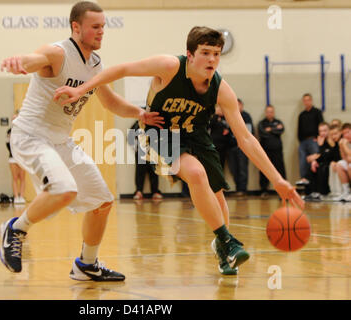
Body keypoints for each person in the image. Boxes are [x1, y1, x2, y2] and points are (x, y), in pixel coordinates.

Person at [54, 26, 304, 275]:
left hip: (196, 137)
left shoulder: (221, 89)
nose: (212, 59)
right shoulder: (169, 67)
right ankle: (227, 241)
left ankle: (223, 249)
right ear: (190, 54)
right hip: (158, 133)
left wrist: (278, 179)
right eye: (205, 53)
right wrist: (80, 89)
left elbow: (246, 139)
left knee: (218, 197)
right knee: (196, 174)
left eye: (216, 54)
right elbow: (122, 69)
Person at [0, 1, 163, 280]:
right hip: (31, 136)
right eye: (95, 27)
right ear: (76, 27)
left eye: (103, 27)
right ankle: (16, 228)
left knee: (102, 201)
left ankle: (87, 265)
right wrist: (20, 62)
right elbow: (33, 59)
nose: (101, 32)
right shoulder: (58, 52)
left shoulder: (95, 64)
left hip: (61, 141)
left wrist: (139, 113)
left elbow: (110, 102)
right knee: (64, 189)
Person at [304, 123, 341, 200]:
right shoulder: (323, 141)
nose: (322, 133)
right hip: (327, 162)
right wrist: (315, 160)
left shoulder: (333, 140)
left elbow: (331, 155)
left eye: (324, 130)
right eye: (320, 131)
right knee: (314, 165)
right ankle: (312, 192)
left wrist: (320, 147)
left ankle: (322, 192)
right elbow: (323, 156)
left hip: (333, 162)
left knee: (322, 167)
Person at [128, 120, 163, 200]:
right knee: (140, 171)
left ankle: (155, 191)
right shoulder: (137, 123)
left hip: (153, 150)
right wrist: (135, 147)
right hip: (141, 151)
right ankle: (139, 191)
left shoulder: (155, 123)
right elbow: (130, 136)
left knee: (154, 171)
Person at [258, 105, 286, 197]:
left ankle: (283, 190)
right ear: (266, 113)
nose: (270, 113)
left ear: (273, 112)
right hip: (265, 151)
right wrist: (275, 129)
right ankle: (264, 190)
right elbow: (262, 133)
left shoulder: (278, 122)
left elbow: (281, 130)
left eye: (271, 111)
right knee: (264, 170)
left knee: (280, 170)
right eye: (268, 111)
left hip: (277, 151)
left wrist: (270, 130)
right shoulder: (262, 123)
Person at [227, 98, 254, 196]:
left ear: (242, 106)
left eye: (239, 105)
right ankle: (238, 188)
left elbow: (248, 132)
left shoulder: (246, 116)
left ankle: (243, 189)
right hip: (231, 147)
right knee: (233, 168)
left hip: (242, 147)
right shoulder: (230, 115)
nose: (237, 107)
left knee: (242, 168)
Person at [297, 93, 323, 185]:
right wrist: (300, 140)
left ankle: (316, 182)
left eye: (308, 100)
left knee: (314, 160)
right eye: (305, 100)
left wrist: (318, 137)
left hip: (313, 140)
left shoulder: (317, 112)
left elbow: (321, 124)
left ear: (311, 101)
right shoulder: (302, 115)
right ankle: (304, 179)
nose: (306, 102)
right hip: (303, 141)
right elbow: (299, 128)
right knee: (303, 161)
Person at [7, 112, 26, 204]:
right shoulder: (9, 132)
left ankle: (21, 196)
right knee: (14, 177)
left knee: (22, 177)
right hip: (12, 157)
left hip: (22, 157)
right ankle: (16, 197)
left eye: (16, 118)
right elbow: (7, 145)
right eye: (13, 119)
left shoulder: (24, 131)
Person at [332, 123, 351, 201]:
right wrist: (341, 147)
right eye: (344, 134)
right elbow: (345, 159)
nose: (346, 135)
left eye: (348, 132)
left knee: (350, 166)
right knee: (339, 164)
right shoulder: (346, 142)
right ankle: (346, 191)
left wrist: (345, 146)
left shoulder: (346, 143)